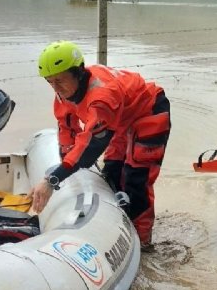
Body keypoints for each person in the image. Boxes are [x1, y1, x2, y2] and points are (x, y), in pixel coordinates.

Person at [29, 41, 171, 250]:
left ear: (78, 72)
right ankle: (119, 219)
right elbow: (67, 132)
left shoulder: (101, 97)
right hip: (121, 119)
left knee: (136, 179)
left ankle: (143, 244)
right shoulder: (64, 94)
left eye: (60, 80)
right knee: (112, 171)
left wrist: (52, 180)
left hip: (148, 112)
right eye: (50, 82)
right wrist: (66, 169)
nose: (56, 88)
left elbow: (89, 149)